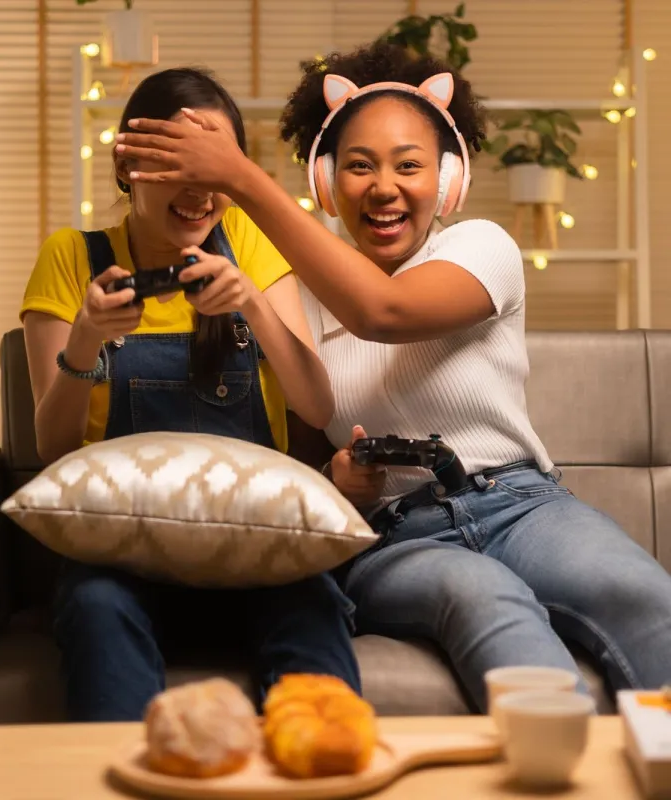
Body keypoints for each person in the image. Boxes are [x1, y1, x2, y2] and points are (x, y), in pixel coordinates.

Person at [113, 43, 671, 712]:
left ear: (448, 179)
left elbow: (384, 311)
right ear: (325, 182)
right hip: (392, 536)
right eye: (358, 166)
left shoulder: (481, 247)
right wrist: (335, 481)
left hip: (522, 504)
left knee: (640, 593)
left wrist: (241, 178)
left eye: (409, 165)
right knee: (481, 596)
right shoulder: (292, 292)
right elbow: (289, 454)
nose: (384, 187)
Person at [20, 66, 360, 722]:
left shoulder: (251, 248)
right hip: (121, 561)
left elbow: (317, 409)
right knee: (93, 605)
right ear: (129, 167)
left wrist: (254, 307)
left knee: (312, 610)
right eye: (178, 162)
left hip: (261, 554)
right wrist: (86, 340)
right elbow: (52, 448)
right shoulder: (71, 257)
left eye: (218, 169)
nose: (201, 191)